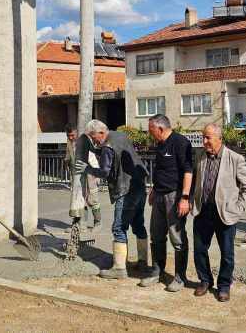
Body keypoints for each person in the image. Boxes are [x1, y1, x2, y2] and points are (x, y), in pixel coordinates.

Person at [75, 120, 151, 279]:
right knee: (138, 224)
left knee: (118, 227)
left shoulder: (107, 147)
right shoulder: (120, 135)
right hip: (139, 185)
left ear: (101, 133)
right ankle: (143, 262)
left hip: (125, 189)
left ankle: (119, 268)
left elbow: (104, 171)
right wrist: (97, 151)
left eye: (93, 136)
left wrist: (87, 168)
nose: (93, 140)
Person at [191, 124, 246, 302]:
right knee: (199, 250)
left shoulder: (235, 158)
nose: (204, 141)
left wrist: (239, 208)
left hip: (225, 213)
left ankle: (224, 286)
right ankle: (205, 281)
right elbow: (195, 180)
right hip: (203, 211)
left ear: (219, 138)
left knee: (227, 253)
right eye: (203, 137)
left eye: (208, 138)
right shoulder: (200, 156)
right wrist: (191, 201)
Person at [139, 114, 194, 292]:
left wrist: (185, 198)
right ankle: (157, 271)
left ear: (160, 129)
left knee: (177, 238)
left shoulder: (180, 142)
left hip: (175, 196)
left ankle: (180, 277)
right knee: (156, 236)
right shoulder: (160, 144)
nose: (150, 134)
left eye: (151, 130)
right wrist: (154, 190)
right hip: (160, 196)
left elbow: (188, 171)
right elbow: (162, 170)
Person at [68, 123, 102, 230]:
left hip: (90, 174)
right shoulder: (70, 144)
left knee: (92, 199)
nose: (70, 137)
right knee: (80, 199)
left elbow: (92, 159)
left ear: (77, 133)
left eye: (72, 135)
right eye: (68, 135)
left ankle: (98, 222)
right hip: (78, 176)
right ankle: (81, 223)